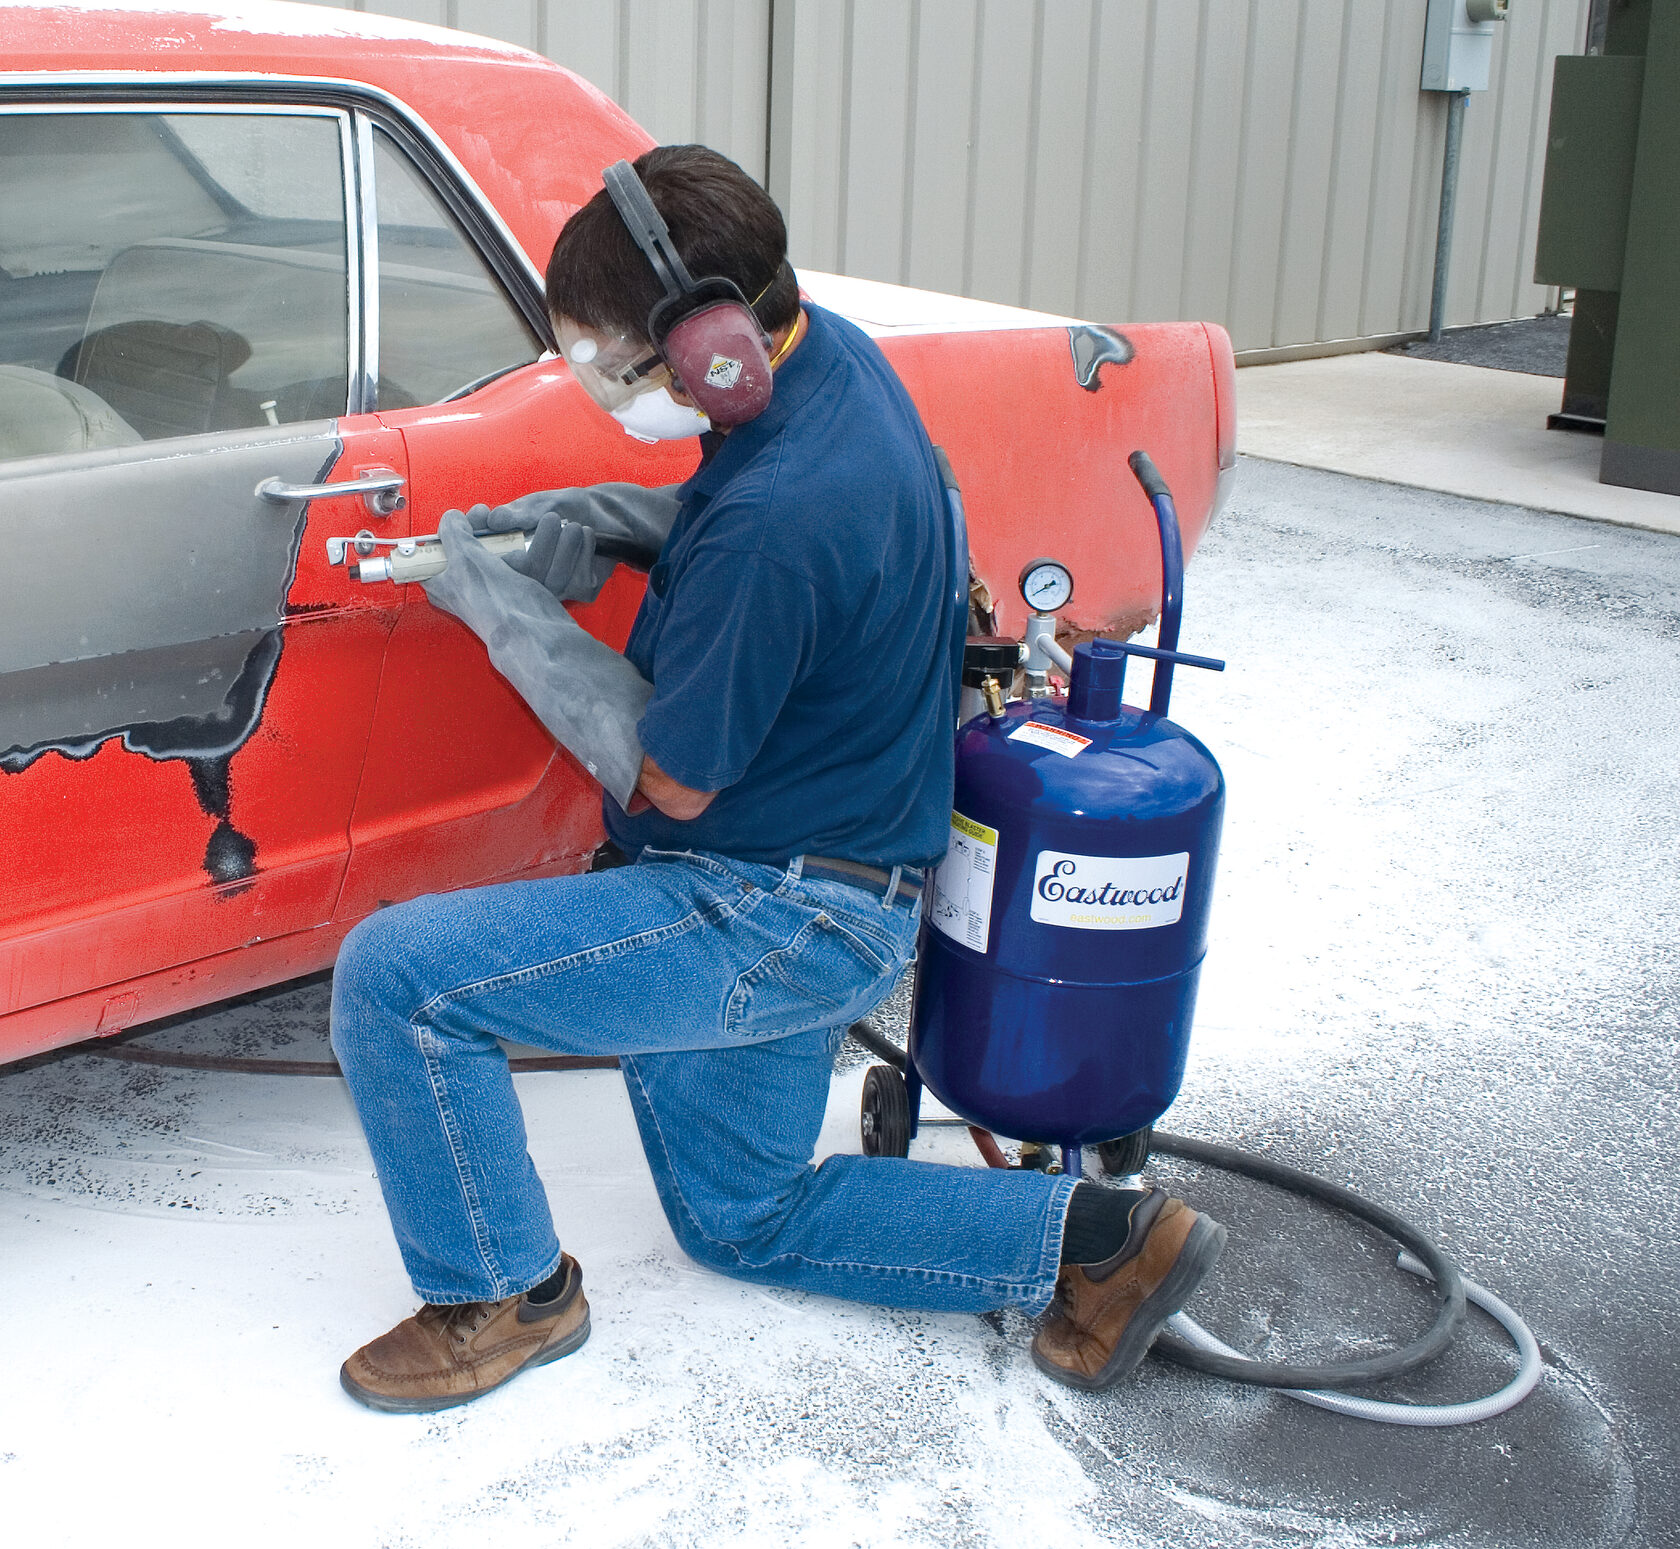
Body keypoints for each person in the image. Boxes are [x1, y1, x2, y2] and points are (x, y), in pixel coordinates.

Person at [329, 144, 1225, 1414]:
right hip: (849, 879)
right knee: (742, 1217)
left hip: (770, 909)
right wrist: (617, 520)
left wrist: (509, 615)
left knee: (398, 981)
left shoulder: (779, 519)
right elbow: (767, 537)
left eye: (611, 364)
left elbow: (674, 778)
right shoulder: (824, 361)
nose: (601, 387)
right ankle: (1103, 1245)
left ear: (709, 349)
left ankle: (498, 1296)